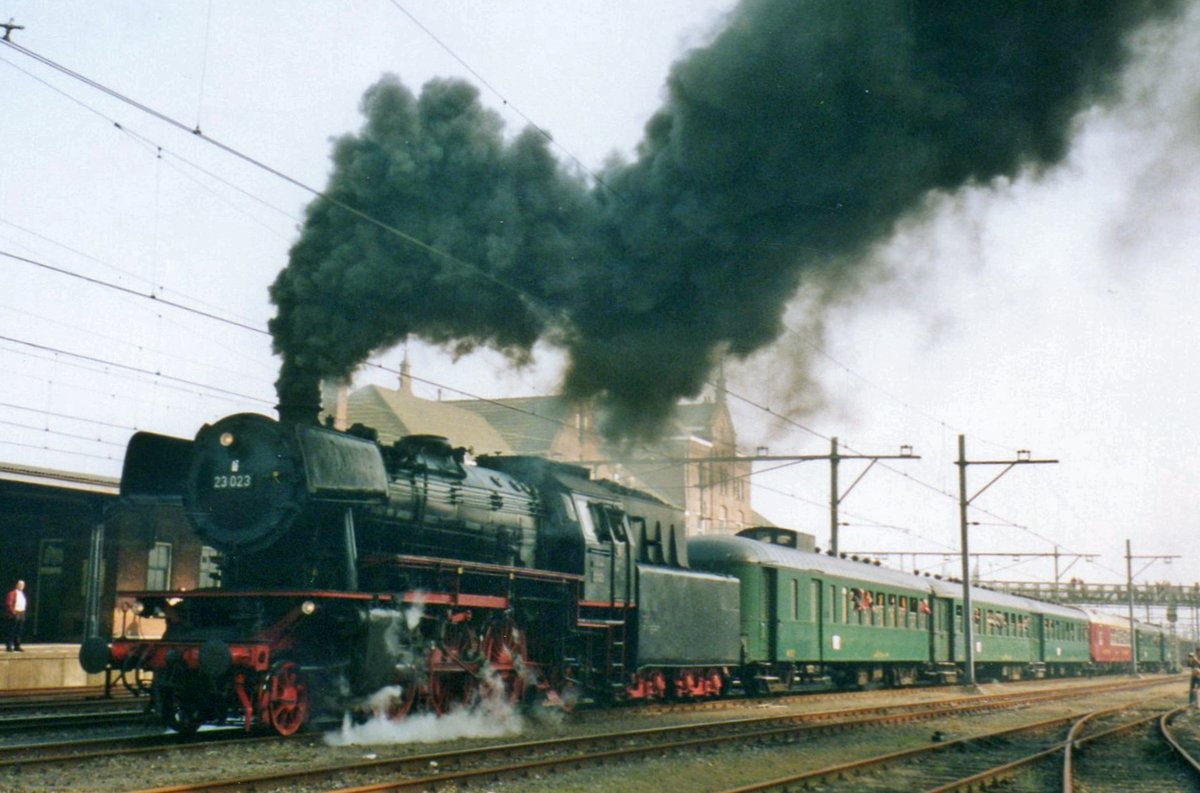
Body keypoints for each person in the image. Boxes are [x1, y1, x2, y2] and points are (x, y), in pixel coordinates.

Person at [5, 579, 26, 652]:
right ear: (16, 585)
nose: (21, 586)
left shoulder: (22, 594)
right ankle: (9, 646)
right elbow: (9, 604)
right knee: (12, 630)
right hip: (15, 614)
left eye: (22, 585)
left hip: (21, 613)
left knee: (19, 631)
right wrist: (13, 612)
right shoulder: (12, 593)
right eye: (20, 584)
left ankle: (17, 645)